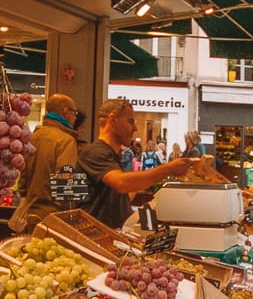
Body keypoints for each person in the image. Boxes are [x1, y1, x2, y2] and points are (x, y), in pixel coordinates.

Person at [78, 98, 194, 228]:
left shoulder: (113, 154)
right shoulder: (95, 152)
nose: (135, 128)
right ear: (113, 120)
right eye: (131, 121)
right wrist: (168, 169)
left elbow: (120, 192)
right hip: (96, 237)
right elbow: (122, 183)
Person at [9, 93, 81, 233]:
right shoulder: (66, 141)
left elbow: (22, 182)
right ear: (66, 111)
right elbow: (66, 188)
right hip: (53, 219)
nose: (75, 117)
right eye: (74, 113)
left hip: (29, 216)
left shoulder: (32, 137)